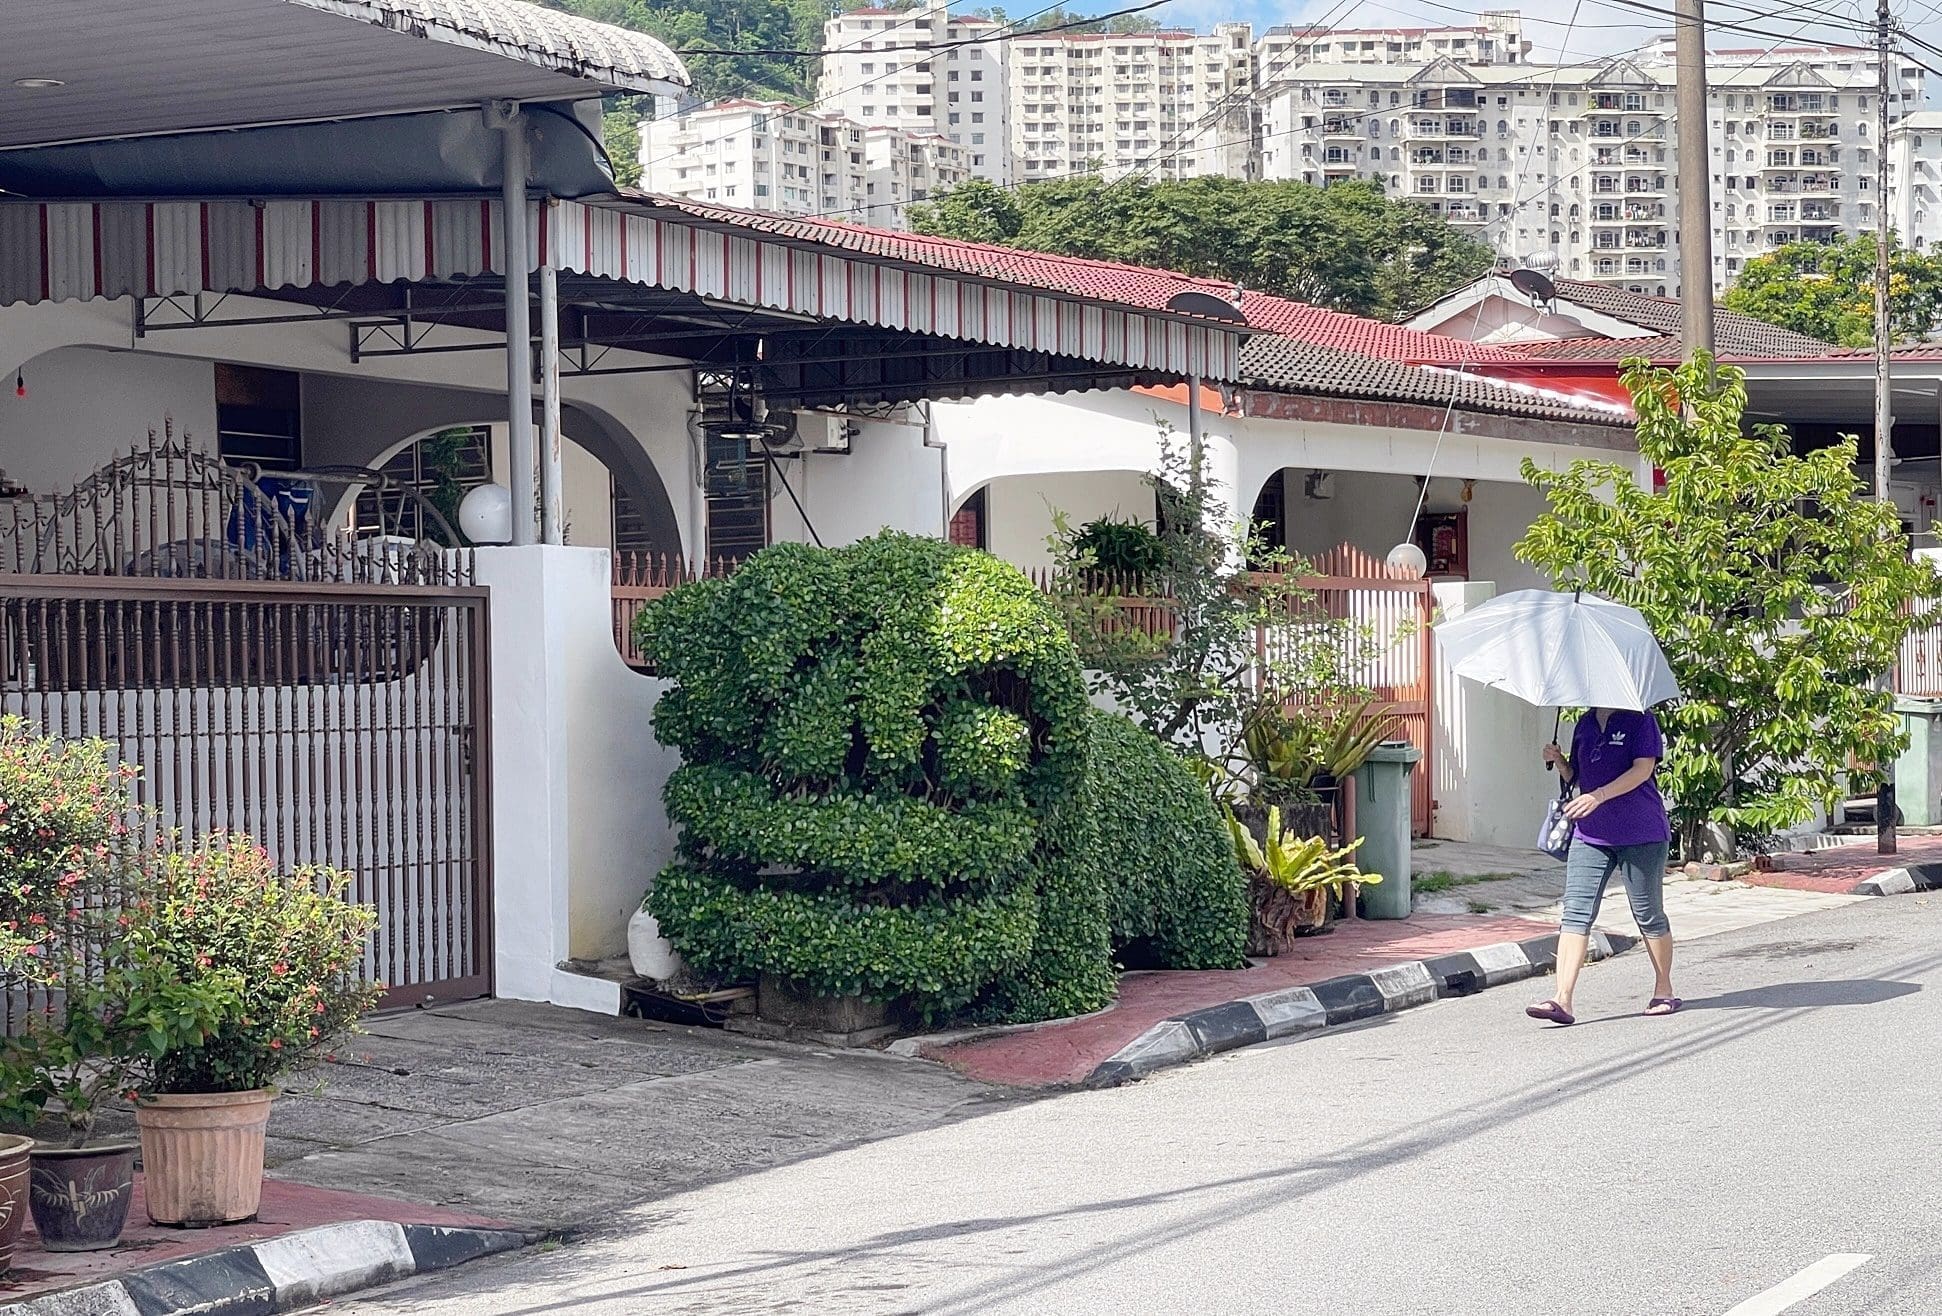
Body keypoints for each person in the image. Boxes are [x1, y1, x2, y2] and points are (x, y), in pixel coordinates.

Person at [1525, 706, 1676, 1026]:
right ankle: (1561, 999)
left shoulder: (1640, 719)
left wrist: (1600, 796)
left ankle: (1664, 989)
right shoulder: (1585, 723)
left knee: (1647, 913)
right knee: (1575, 910)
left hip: (1641, 832)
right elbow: (1579, 777)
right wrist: (1561, 762)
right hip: (1590, 833)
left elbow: (1643, 769)